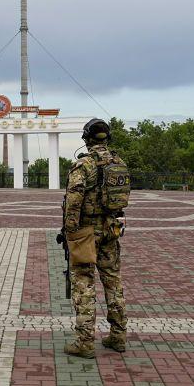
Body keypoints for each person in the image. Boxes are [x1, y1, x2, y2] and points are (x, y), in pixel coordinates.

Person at [61, 118, 128, 358]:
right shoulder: (119, 163)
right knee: (113, 281)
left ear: (87, 139)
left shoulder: (84, 165)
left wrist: (70, 231)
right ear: (107, 137)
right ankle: (119, 336)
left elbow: (73, 201)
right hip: (111, 229)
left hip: (87, 232)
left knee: (84, 283)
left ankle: (85, 341)